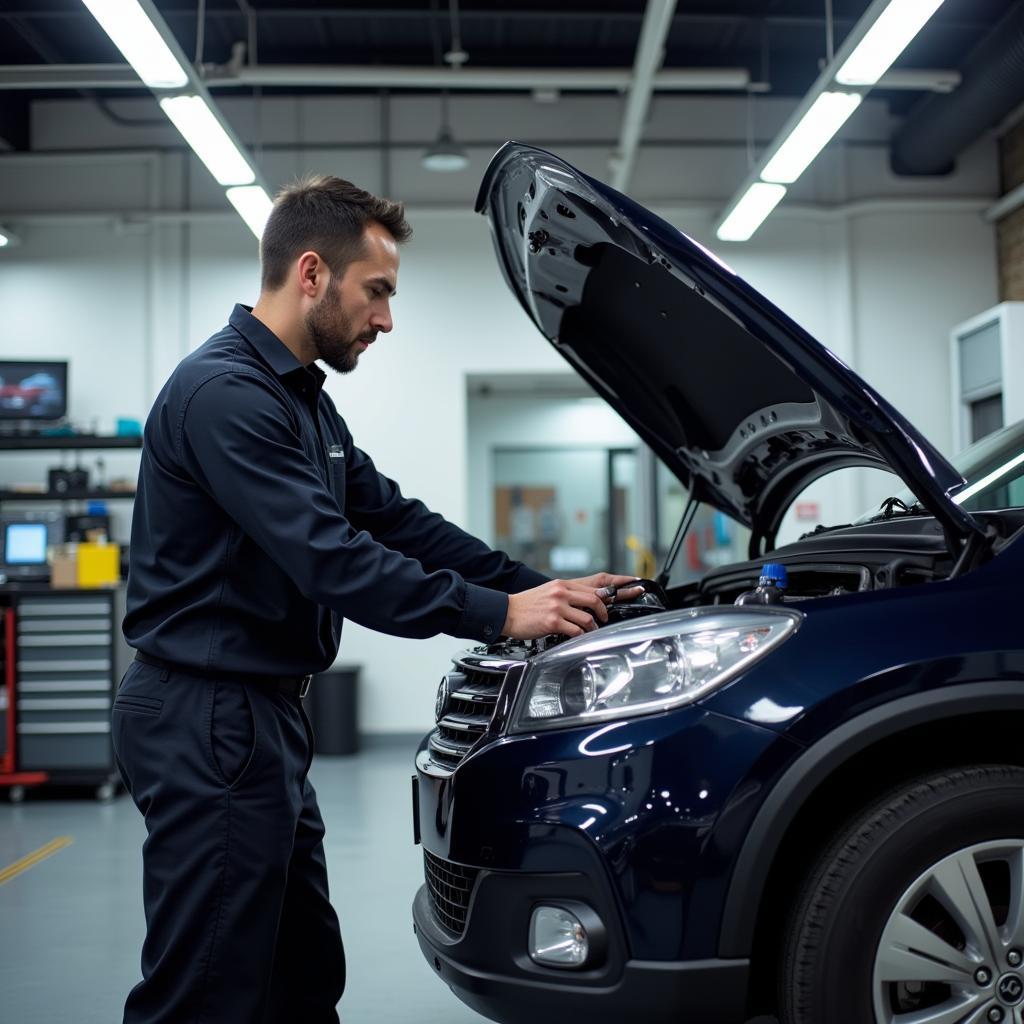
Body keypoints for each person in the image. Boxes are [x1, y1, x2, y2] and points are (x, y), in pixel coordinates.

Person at [113, 174, 641, 1024]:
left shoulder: (304, 405)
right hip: (206, 718)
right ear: (312, 274)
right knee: (206, 987)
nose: (387, 319)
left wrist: (533, 586)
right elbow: (335, 562)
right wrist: (502, 616)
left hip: (261, 717)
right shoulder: (227, 396)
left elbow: (396, 523)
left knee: (300, 972)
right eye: (379, 291)